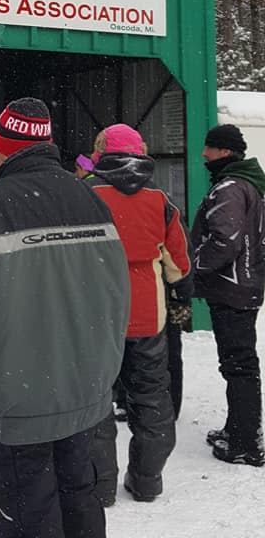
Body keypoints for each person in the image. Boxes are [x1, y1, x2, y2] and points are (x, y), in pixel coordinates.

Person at [0, 97, 130, 538]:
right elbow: (117, 290)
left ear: (0, 149)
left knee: (29, 516)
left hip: (20, 399)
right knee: (81, 501)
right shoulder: (90, 198)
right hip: (86, 390)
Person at [90, 123, 192, 504]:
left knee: (96, 402)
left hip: (97, 316)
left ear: (100, 152)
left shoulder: (85, 194)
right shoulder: (159, 201)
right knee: (152, 399)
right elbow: (178, 264)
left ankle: (100, 487)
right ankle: (147, 479)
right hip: (149, 317)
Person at [191, 123, 265, 466]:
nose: (204, 154)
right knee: (239, 363)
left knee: (238, 365)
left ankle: (245, 443)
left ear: (224, 152)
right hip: (245, 284)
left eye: (209, 148)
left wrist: (194, 263)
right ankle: (238, 428)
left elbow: (225, 241)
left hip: (232, 287)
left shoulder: (231, 187)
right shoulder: (249, 182)